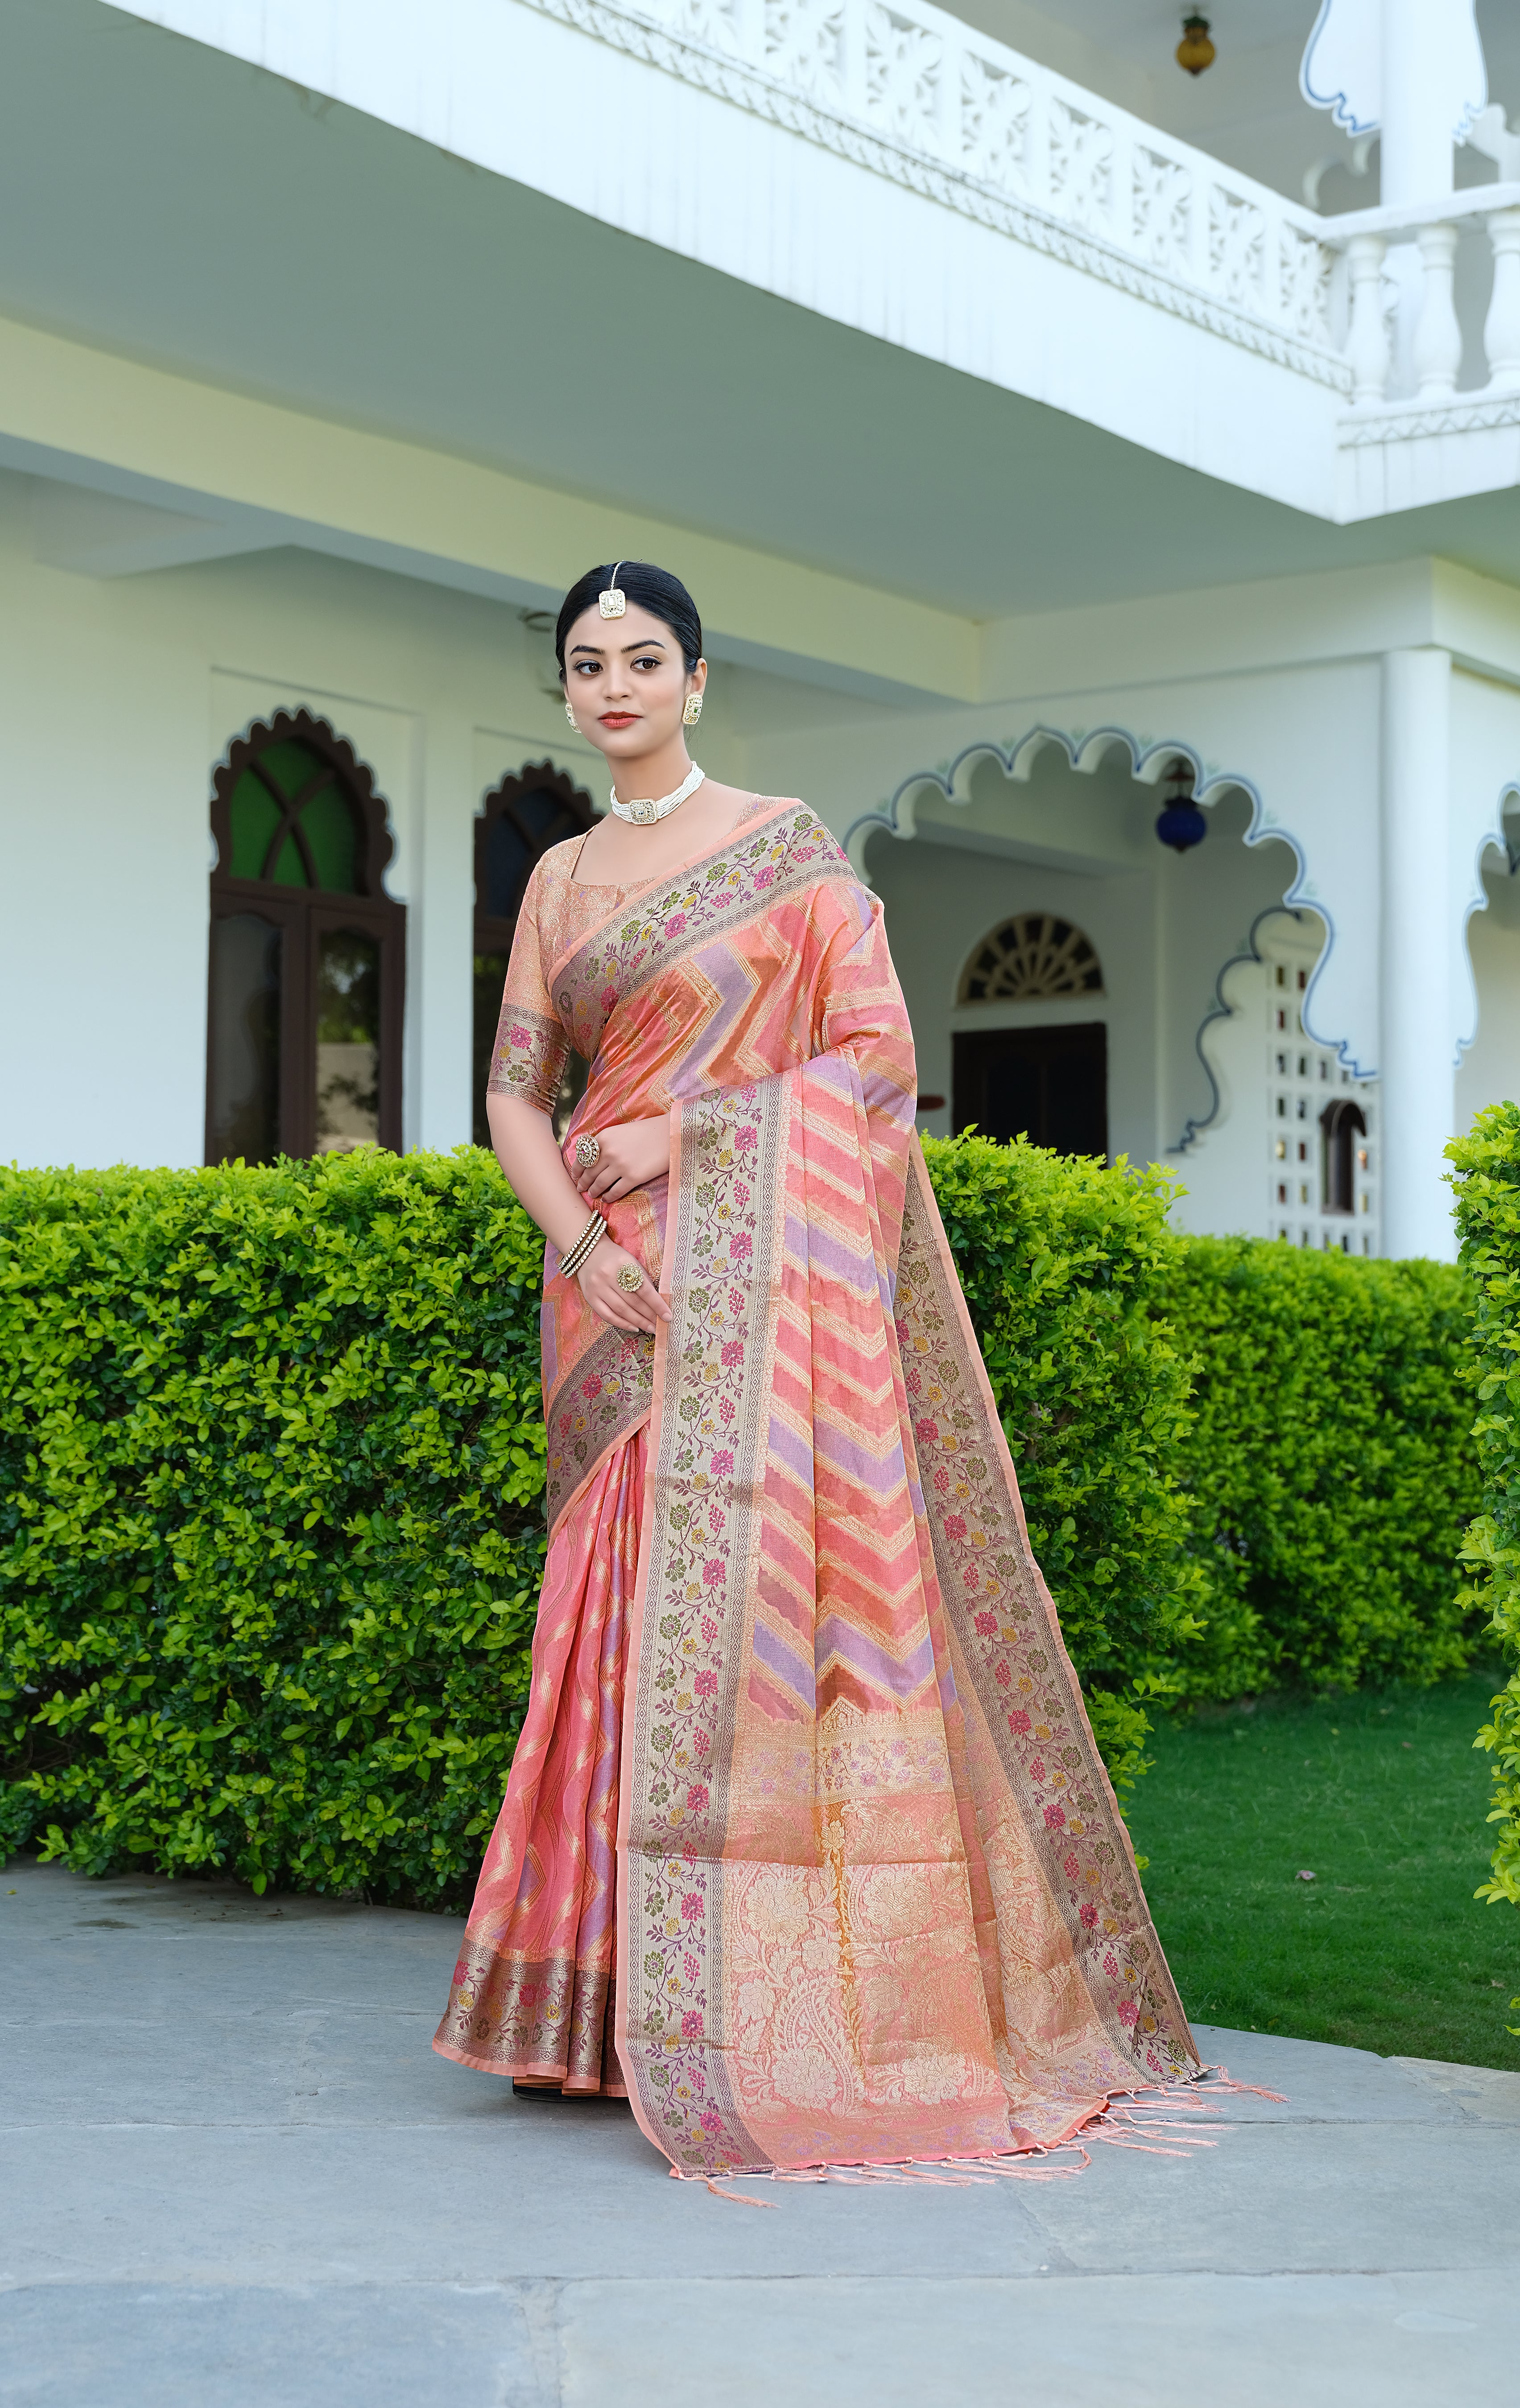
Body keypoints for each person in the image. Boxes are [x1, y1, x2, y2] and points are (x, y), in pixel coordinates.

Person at [433, 561, 1198, 2180]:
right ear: (565, 691)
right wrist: (584, 1243)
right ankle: (583, 2006)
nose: (616, 684)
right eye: (588, 663)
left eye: (645, 658)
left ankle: (758, 2004)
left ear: (697, 681)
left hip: (757, 1278)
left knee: (768, 1610)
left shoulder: (791, 860)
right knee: (613, 1602)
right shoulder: (561, 880)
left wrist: (686, 1134)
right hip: (611, 1282)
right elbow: (513, 1094)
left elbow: (871, 1069)